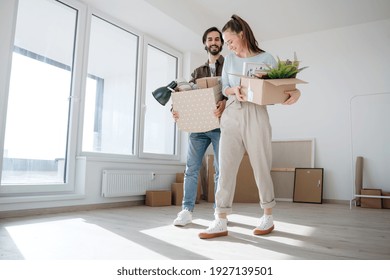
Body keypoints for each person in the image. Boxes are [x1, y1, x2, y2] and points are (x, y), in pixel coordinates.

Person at [198, 15, 301, 239]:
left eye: (231, 40)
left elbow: (283, 87)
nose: (229, 46)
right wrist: (233, 91)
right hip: (232, 113)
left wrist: (295, 92)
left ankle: (268, 215)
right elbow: (225, 87)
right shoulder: (229, 61)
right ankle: (220, 219)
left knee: (261, 165)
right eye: (226, 43)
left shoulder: (267, 58)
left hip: (257, 113)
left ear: (242, 34)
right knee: (224, 169)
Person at [173, 27, 226, 226]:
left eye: (217, 39)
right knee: (191, 169)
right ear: (205, 44)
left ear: (221, 43)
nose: (213, 42)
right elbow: (186, 95)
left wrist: (225, 102)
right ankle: (186, 210)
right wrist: (175, 108)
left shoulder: (229, 66)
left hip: (220, 126)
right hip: (198, 128)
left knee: (221, 170)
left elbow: (234, 92)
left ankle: (219, 213)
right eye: (210, 39)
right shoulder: (197, 72)